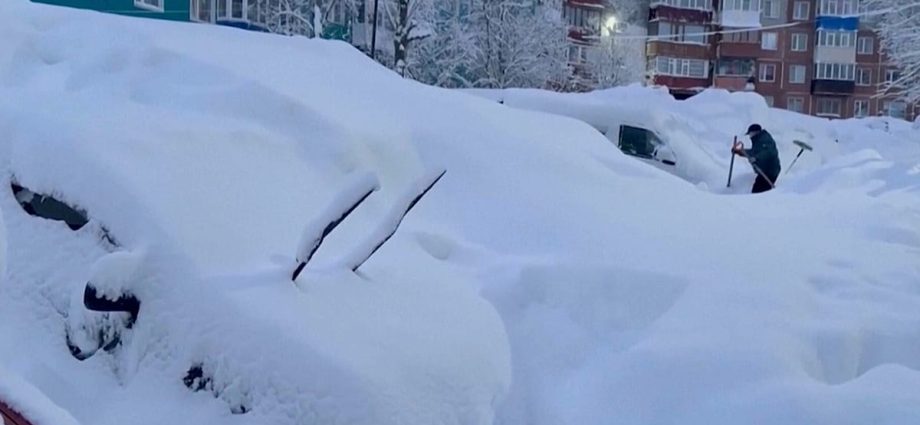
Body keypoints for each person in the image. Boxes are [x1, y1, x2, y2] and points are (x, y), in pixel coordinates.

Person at [732, 124, 781, 193]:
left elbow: (768, 152)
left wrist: (756, 158)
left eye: (750, 134)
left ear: (755, 132)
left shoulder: (765, 140)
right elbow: (754, 152)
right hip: (765, 171)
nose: (750, 136)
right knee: (758, 191)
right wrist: (741, 152)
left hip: (770, 170)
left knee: (758, 192)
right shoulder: (758, 140)